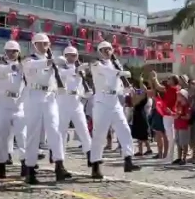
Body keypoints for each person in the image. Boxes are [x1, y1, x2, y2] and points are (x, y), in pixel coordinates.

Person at [22, 33, 70, 184]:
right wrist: (50, 62)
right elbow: (32, 66)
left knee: (55, 131)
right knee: (33, 134)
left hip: (49, 97)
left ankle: (59, 165)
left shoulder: (53, 61)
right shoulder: (29, 59)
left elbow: (60, 75)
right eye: (40, 43)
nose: (43, 46)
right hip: (34, 97)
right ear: (34, 45)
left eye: (46, 44)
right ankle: (30, 169)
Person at [89, 41, 139, 178]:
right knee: (99, 134)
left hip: (115, 101)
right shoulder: (96, 64)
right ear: (99, 51)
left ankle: (128, 159)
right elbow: (108, 72)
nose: (107, 51)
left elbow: (119, 87)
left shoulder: (115, 65)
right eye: (104, 49)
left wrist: (127, 89)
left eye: (109, 49)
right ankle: (95, 165)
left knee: (125, 129)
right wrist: (120, 72)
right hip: (101, 101)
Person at [0, 40, 28, 179]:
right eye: (9, 51)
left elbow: (28, 85)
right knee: (1, 137)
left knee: (22, 136)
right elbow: (6, 70)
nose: (11, 53)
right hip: (3, 106)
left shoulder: (24, 68)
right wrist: (20, 66)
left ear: (18, 52)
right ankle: (1, 166)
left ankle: (25, 163)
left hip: (18, 105)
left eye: (14, 51)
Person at [56, 46, 93, 165]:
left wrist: (86, 93)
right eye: (69, 55)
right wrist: (76, 71)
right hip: (63, 102)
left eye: (74, 55)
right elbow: (64, 74)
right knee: (61, 132)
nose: (71, 58)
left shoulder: (79, 70)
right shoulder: (59, 68)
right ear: (64, 56)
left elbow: (80, 87)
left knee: (83, 130)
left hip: (76, 103)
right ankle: (59, 160)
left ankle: (90, 156)